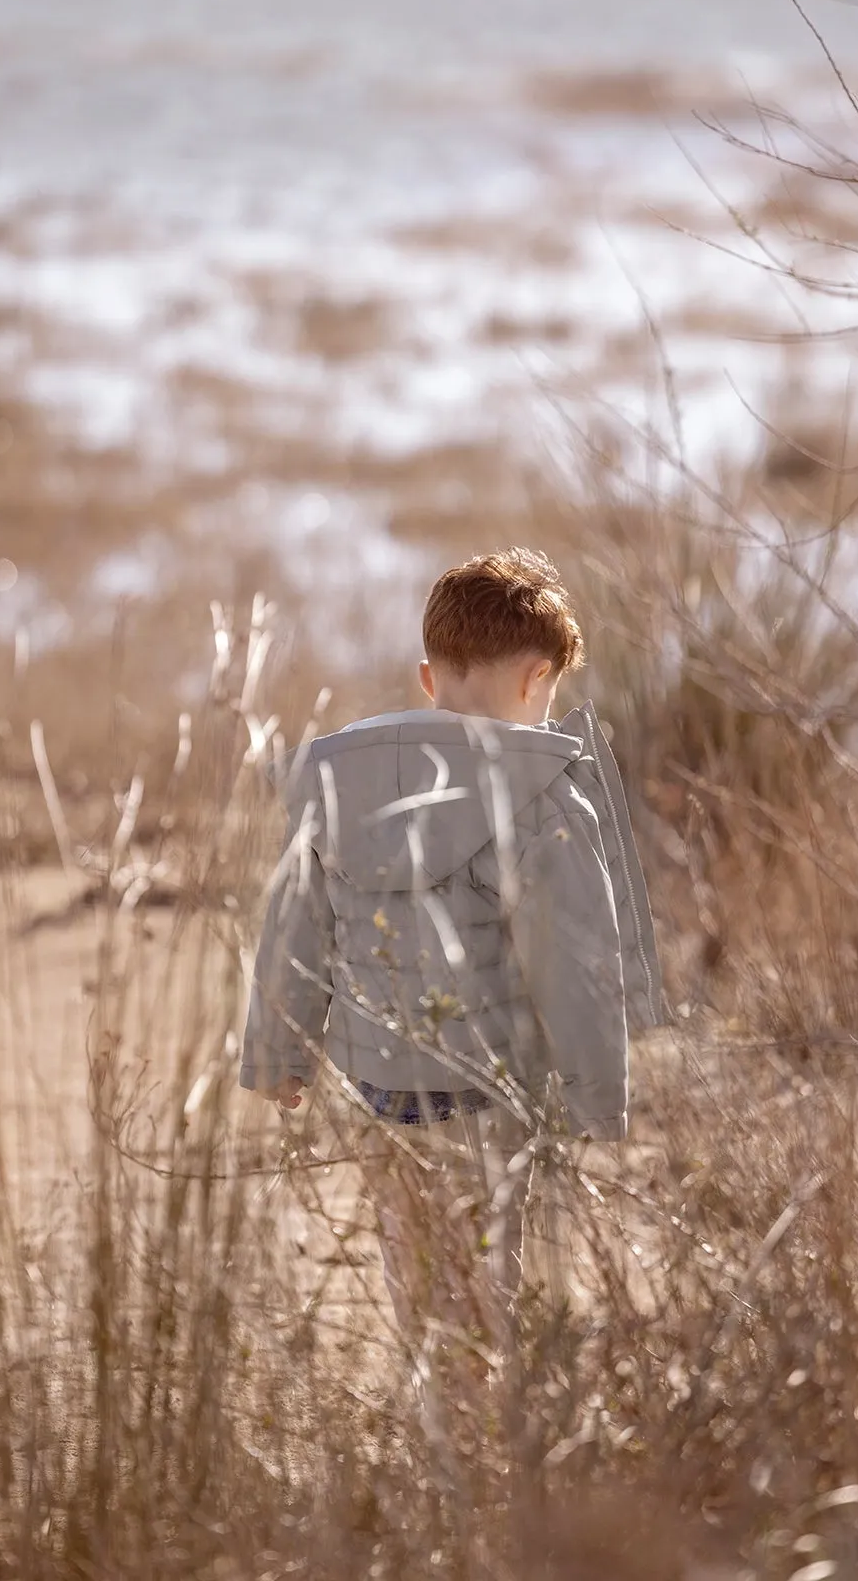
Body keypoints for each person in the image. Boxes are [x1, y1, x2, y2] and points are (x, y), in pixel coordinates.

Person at [239, 547, 660, 1413]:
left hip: (378, 1084)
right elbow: (570, 965)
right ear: (536, 679)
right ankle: (491, 1434)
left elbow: (293, 926)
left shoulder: (332, 781)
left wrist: (279, 1053)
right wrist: (595, 1098)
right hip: (492, 1088)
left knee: (416, 1267)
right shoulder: (544, 793)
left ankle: (441, 1409)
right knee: (503, 1277)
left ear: (430, 677)